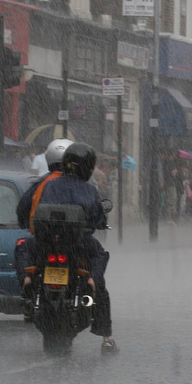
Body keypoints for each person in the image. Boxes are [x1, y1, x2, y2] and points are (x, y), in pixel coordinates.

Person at [15, 142, 118, 355]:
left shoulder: (49, 185)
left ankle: (26, 280)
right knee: (100, 256)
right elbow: (98, 218)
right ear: (88, 166)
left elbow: (26, 209)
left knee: (22, 249)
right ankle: (106, 336)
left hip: (46, 242)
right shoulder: (89, 189)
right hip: (77, 244)